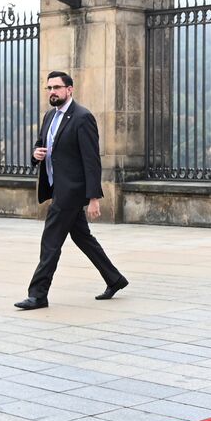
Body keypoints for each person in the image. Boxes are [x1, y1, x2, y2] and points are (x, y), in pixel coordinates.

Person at [15, 71, 127, 310]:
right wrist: (35, 155)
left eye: (57, 87)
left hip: (71, 191)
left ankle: (38, 295)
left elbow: (91, 160)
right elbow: (41, 144)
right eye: (49, 88)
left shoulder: (82, 117)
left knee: (50, 241)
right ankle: (115, 279)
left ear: (69, 90)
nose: (52, 92)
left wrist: (94, 197)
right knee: (83, 238)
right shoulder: (49, 116)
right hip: (57, 187)